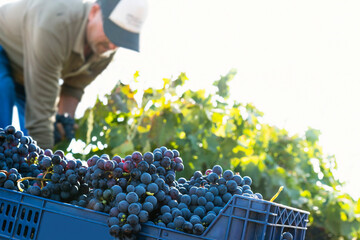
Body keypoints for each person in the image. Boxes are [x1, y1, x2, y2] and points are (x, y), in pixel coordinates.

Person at [0, 0, 148, 149]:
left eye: (121, 39)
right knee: (5, 103)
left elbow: (73, 87)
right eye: (112, 33)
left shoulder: (105, 50)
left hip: (27, 73)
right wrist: (43, 166)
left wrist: (64, 120)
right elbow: (40, 115)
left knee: (30, 147)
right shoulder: (56, 22)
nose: (112, 45)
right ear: (94, 12)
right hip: (4, 47)